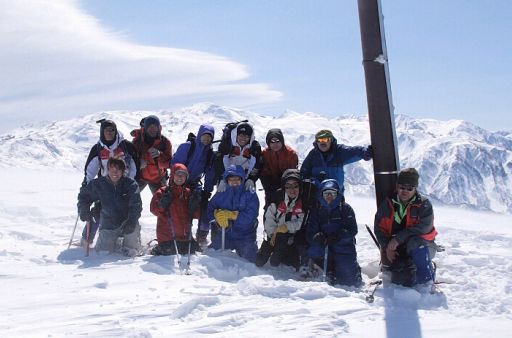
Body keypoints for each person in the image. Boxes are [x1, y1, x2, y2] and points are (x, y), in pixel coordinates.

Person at [374, 168, 438, 287]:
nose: (405, 191)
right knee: (401, 280)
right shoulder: (388, 204)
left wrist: (398, 238)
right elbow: (379, 229)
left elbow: (424, 227)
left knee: (416, 242)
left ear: (415, 189)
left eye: (410, 188)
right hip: (398, 247)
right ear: (397, 186)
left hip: (423, 246)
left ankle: (427, 281)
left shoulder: (423, 204)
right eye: (402, 187)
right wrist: (387, 247)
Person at [79, 119, 138, 246]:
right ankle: (86, 240)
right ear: (102, 132)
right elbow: (91, 167)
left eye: (112, 130)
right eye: (107, 130)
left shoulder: (125, 145)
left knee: (127, 213)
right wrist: (87, 184)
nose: (110, 133)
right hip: (105, 186)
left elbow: (135, 164)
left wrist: (130, 182)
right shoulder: (98, 148)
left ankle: (128, 239)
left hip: (124, 186)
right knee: (98, 212)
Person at [77, 158, 142, 256]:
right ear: (108, 169)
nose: (115, 172)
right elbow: (84, 197)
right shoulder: (99, 184)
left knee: (131, 252)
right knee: (103, 252)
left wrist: (132, 221)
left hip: (128, 223)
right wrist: (83, 210)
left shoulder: (131, 185)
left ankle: (129, 243)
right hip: (109, 224)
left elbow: (136, 205)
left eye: (118, 169)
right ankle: (112, 241)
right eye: (112, 169)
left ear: (123, 171)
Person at [306, 179, 362, 286]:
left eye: (333, 193)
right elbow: (310, 232)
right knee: (314, 250)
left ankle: (353, 270)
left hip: (342, 246)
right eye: (326, 193)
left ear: (338, 194)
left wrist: (339, 236)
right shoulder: (317, 210)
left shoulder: (345, 209)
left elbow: (352, 229)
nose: (329, 197)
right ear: (321, 194)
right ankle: (327, 270)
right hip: (323, 246)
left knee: (349, 282)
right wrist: (317, 237)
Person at [171, 124, 216, 245]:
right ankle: (184, 234)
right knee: (182, 209)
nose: (206, 139)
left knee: (204, 207)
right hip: (179, 183)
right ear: (199, 134)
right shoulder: (187, 147)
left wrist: (207, 191)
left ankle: (201, 235)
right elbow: (175, 165)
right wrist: (178, 182)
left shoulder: (210, 154)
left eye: (209, 137)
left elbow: (210, 174)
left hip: (194, 184)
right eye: (204, 136)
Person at [207, 165, 260, 263]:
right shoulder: (221, 192)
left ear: (242, 179)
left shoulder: (250, 193)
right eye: (231, 179)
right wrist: (216, 216)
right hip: (225, 234)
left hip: (245, 235)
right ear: (227, 180)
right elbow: (210, 209)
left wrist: (233, 215)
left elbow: (251, 216)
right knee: (211, 256)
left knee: (251, 262)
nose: (235, 182)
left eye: (237, 179)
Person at [255, 169, 304, 269]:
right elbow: (269, 217)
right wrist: (273, 235)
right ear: (284, 187)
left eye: (295, 186)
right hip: (273, 234)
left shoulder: (304, 201)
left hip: (291, 237)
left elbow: (302, 221)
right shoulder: (276, 198)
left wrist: (287, 227)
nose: (292, 189)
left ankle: (284, 255)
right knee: (259, 261)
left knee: (280, 262)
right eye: (288, 186)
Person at [149, 163, 201, 255]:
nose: (180, 178)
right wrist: (162, 205)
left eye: (183, 175)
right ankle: (157, 248)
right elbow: (154, 210)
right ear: (173, 175)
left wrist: (195, 207)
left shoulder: (188, 193)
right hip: (168, 237)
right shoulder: (163, 192)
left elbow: (197, 215)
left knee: (196, 252)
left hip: (185, 237)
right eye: (177, 175)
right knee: (170, 252)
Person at [300, 129, 372, 191]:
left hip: (336, 197)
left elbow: (354, 151)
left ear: (331, 140)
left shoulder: (339, 151)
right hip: (316, 198)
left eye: (326, 139)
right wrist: (315, 182)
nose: (323, 142)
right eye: (320, 140)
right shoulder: (313, 155)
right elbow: (303, 174)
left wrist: (365, 152)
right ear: (316, 142)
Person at [131, 115, 172, 193]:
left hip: (158, 178)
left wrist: (159, 155)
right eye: (149, 126)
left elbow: (169, 163)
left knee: (162, 203)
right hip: (141, 177)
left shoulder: (165, 142)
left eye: (155, 126)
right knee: (130, 199)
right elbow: (131, 160)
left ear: (159, 128)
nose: (152, 129)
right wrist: (138, 163)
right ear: (145, 128)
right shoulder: (138, 141)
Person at [217, 122, 262, 193]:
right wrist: (222, 178)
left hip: (246, 176)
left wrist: (251, 179)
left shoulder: (254, 147)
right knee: (224, 197)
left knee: (247, 197)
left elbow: (257, 164)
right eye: (241, 135)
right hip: (228, 176)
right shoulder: (227, 145)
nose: (243, 138)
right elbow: (219, 161)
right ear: (236, 135)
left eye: (247, 136)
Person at [260, 128, 299, 207]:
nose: (275, 144)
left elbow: (293, 173)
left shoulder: (291, 154)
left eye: (278, 141)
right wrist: (269, 188)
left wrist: (284, 186)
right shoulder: (265, 154)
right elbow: (263, 172)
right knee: (270, 205)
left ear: (282, 141)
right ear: (268, 143)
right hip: (270, 184)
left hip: (287, 184)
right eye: (272, 142)